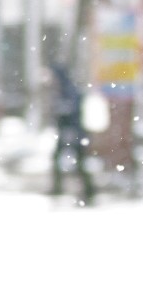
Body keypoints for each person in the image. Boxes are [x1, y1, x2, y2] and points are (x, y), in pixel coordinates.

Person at [49, 63, 98, 204]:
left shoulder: (67, 90)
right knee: (75, 163)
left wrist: (66, 122)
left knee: (77, 163)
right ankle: (84, 191)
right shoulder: (65, 89)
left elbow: (71, 111)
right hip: (72, 132)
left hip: (73, 133)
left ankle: (86, 191)